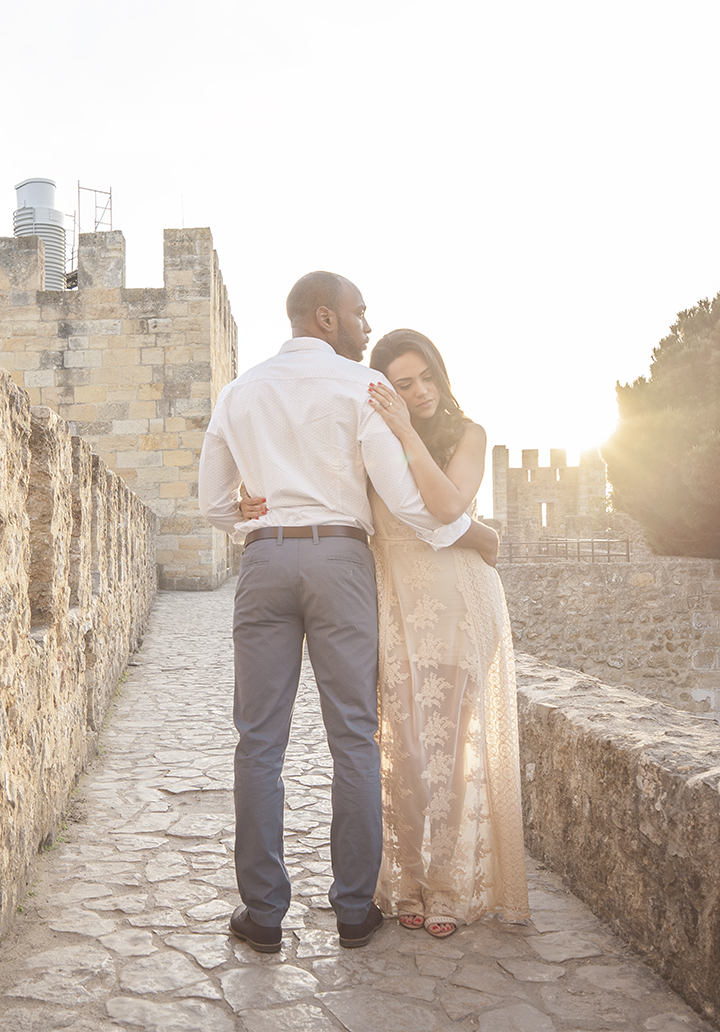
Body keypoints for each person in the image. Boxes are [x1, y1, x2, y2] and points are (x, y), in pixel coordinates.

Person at [198, 273, 499, 955]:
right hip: (340, 559)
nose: (368, 324)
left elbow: (212, 504)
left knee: (259, 743)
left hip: (265, 559)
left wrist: (245, 510)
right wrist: (470, 534)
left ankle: (265, 915)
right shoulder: (361, 389)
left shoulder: (238, 392)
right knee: (355, 738)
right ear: (327, 318)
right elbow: (404, 495)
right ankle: (355, 911)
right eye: (360, 313)